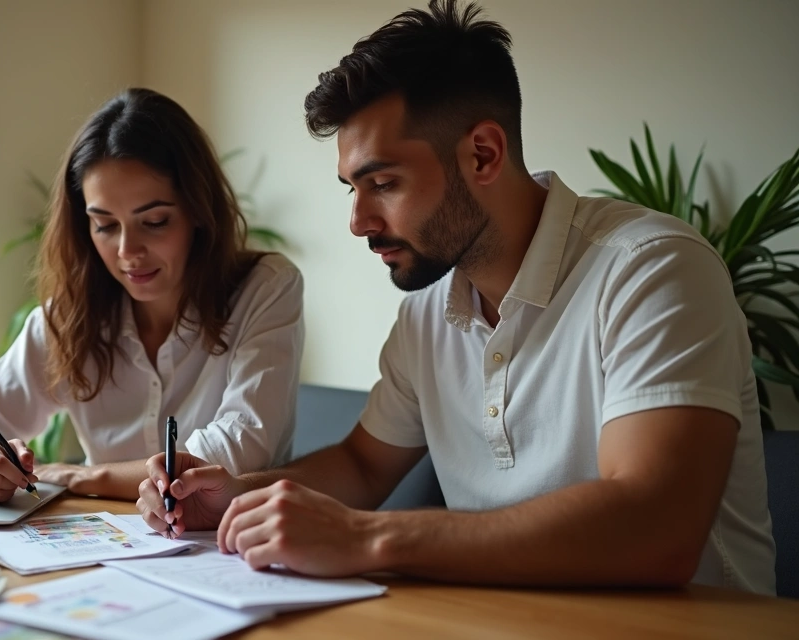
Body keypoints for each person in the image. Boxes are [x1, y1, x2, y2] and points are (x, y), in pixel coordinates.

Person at [136, 0, 776, 594]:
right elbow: (362, 466)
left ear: (484, 154)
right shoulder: (426, 315)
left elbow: (655, 529)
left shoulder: (652, 270)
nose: (358, 222)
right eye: (352, 189)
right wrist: (236, 497)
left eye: (383, 183)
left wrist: (367, 537)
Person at [0, 88, 305, 503]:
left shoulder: (265, 288)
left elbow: (234, 455)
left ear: (198, 210)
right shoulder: (69, 318)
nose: (128, 251)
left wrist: (83, 477)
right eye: (105, 225)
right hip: (105, 539)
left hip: (229, 536)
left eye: (155, 221)